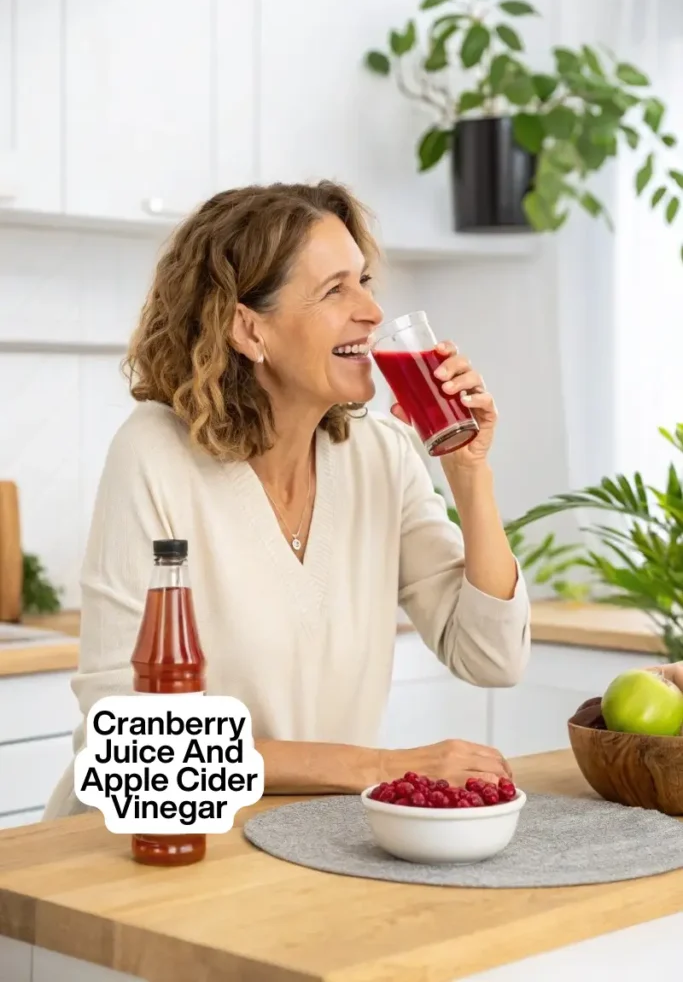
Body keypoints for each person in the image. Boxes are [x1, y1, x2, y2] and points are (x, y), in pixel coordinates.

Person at [44, 180, 531, 819]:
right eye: (335, 291)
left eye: (364, 283)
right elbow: (134, 747)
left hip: (301, 843)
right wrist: (382, 767)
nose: (371, 313)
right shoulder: (155, 455)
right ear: (249, 329)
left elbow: (490, 656)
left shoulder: (378, 451)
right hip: (136, 848)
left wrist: (468, 473)